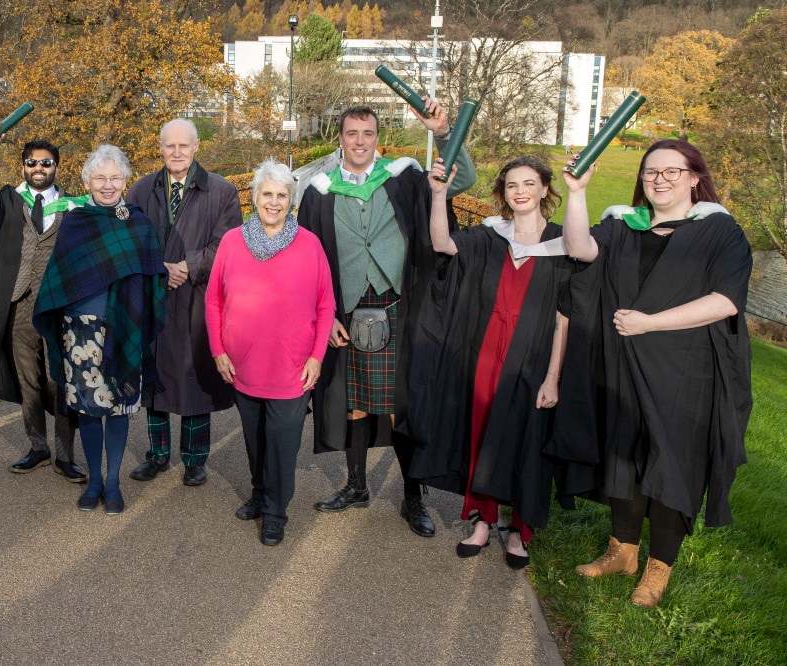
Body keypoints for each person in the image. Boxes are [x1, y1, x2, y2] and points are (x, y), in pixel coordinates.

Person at [552, 140, 752, 607]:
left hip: (686, 371)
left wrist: (650, 323)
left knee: (672, 463)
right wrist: (577, 192)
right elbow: (579, 248)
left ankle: (659, 566)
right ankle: (622, 551)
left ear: (694, 178)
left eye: (671, 171)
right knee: (624, 454)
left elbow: (725, 300)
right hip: (624, 363)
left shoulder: (719, 230)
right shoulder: (624, 224)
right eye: (650, 172)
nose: (659, 179)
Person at [297, 100, 475, 538]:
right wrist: (325, 318)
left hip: (400, 309)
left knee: (401, 405)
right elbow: (308, 263)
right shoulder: (319, 191)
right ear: (340, 139)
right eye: (352, 134)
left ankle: (413, 496)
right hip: (347, 312)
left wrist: (444, 133)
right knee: (353, 402)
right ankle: (356, 485)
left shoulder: (405, 179)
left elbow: (462, 180)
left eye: (368, 133)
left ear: (378, 138)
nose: (360, 141)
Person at [408, 156, 573, 568]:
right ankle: (483, 520)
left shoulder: (561, 243)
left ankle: (519, 530)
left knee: (525, 439)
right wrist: (439, 194)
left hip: (533, 358)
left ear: (545, 190)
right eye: (512, 185)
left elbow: (564, 317)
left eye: (529, 183)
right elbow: (443, 243)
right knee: (481, 435)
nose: (520, 191)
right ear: (503, 193)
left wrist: (553, 376)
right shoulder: (491, 237)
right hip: (484, 354)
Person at [0, 126, 87, 484]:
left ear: (57, 167)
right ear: (22, 166)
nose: (39, 168)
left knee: (59, 381)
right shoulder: (6, 200)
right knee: (28, 380)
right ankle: (38, 446)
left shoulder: (74, 206)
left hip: (57, 307)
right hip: (18, 305)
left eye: (46, 163)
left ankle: (65, 456)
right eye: (32, 162)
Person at [205, 160, 334, 546]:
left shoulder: (309, 244)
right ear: (255, 197)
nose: (273, 202)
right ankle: (260, 494)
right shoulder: (232, 242)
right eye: (267, 194)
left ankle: (276, 512)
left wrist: (316, 357)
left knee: (281, 443)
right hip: (242, 364)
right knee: (255, 438)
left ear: (291, 201)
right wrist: (218, 350)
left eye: (281, 195)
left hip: (292, 367)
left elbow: (326, 303)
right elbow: (213, 301)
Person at [33, 144, 167, 515]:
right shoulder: (75, 222)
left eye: (115, 178)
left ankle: (114, 482)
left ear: (125, 181)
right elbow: (60, 278)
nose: (108, 185)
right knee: (89, 409)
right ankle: (94, 481)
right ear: (87, 181)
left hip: (126, 327)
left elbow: (153, 276)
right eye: (100, 178)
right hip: (82, 329)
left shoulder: (138, 222)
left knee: (119, 406)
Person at [125, 119, 241, 486]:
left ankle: (194, 459)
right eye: (169, 146)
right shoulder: (140, 190)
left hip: (198, 299)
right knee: (155, 380)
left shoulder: (222, 191)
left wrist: (187, 266)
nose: (176, 152)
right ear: (160, 148)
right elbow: (127, 239)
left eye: (183, 145)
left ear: (196, 147)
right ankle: (157, 455)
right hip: (153, 298)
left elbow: (226, 244)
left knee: (195, 380)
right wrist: (159, 268)